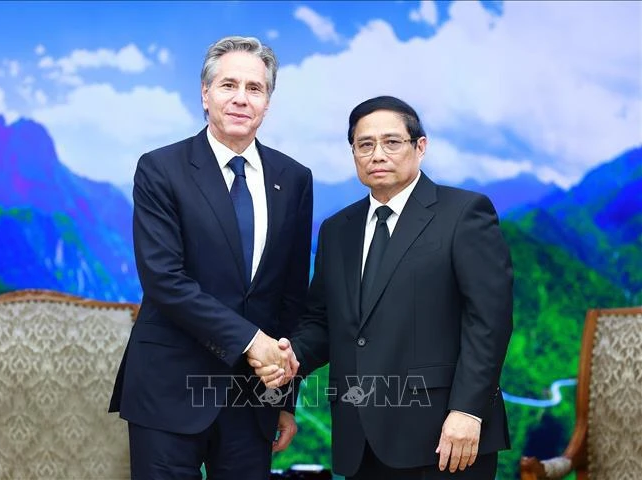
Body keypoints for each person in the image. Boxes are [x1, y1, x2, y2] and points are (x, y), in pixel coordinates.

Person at [253, 96, 513, 479]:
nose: (378, 154)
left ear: (419, 147)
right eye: (365, 144)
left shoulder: (464, 214)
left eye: (392, 142)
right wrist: (290, 359)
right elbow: (322, 322)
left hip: (446, 437)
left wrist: (468, 411)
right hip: (360, 438)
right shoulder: (337, 230)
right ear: (354, 153)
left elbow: (488, 322)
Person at [109, 35, 313, 480]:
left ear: (268, 102)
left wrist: (283, 398)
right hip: (169, 391)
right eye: (228, 85)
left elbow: (291, 295)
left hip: (252, 400)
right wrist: (251, 341)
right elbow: (164, 280)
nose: (241, 98)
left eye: (255, 88)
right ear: (205, 94)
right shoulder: (161, 168)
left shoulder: (294, 179)